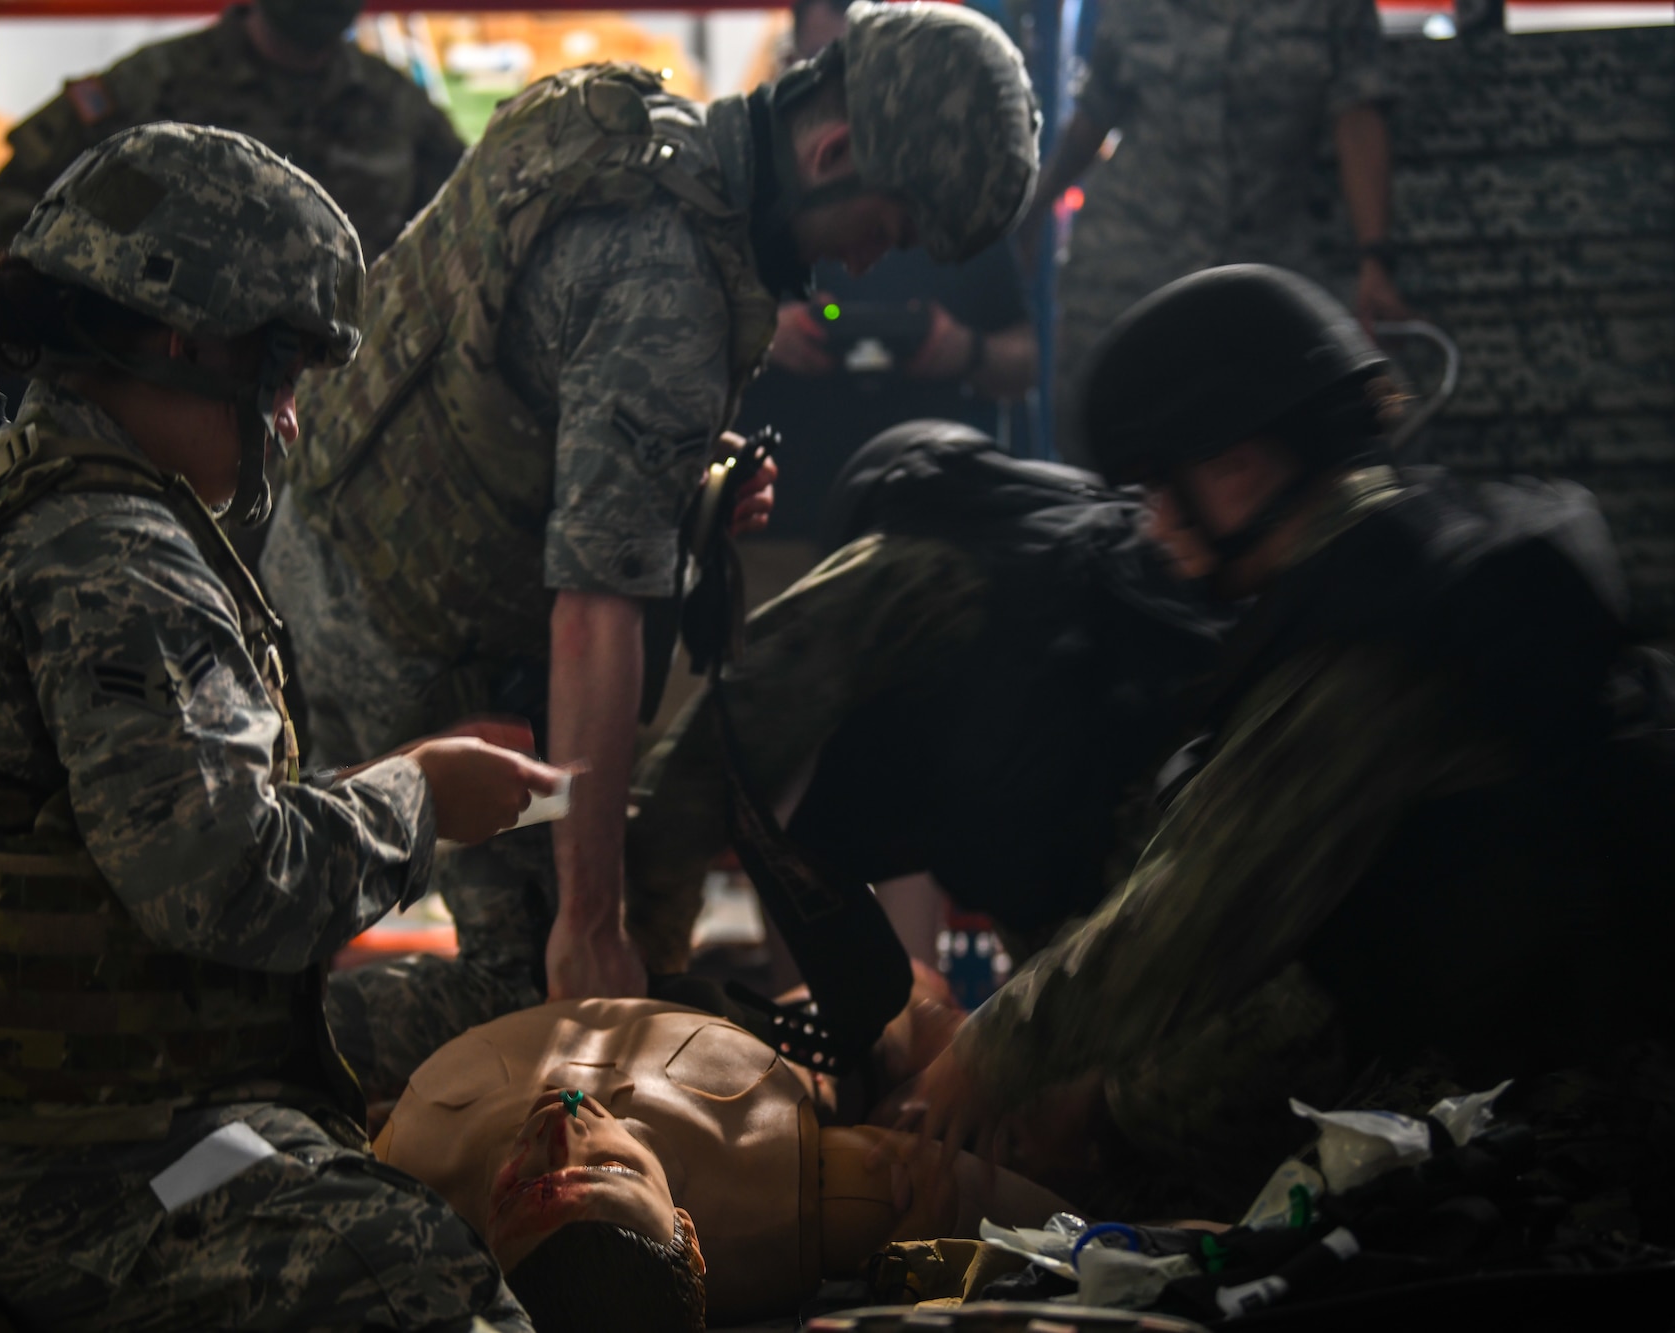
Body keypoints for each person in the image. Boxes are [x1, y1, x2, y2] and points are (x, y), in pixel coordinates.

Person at [0, 124, 566, 1331]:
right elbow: (223, 884)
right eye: (278, 376)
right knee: (413, 1272)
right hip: (54, 1161)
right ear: (186, 344)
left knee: (304, 1136)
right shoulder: (119, 556)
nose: (285, 422)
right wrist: (419, 801)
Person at [267, 2, 1043, 1081]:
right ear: (833, 150)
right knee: (536, 988)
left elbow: (515, 360)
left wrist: (681, 474)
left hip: (311, 551)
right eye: (886, 225)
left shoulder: (616, 119)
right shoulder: (673, 281)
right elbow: (595, 611)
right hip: (417, 639)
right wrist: (589, 919)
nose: (872, 264)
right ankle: (249, 1055)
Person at [885, 265, 1675, 1229]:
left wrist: (988, 1058)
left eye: (1161, 485)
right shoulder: (1397, 567)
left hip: (1562, 1119)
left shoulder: (1371, 643)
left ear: (1238, 467)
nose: (1153, 521)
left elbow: (1196, 903)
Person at [627, 419, 1225, 980]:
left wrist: (651, 982)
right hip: (1205, 899)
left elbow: (712, 759)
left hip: (1136, 935)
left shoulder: (902, 562)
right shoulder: (1093, 526)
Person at [374, 997, 1072, 1331]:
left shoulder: (405, 1181)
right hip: (764, 1040)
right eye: (613, 1168)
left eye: (522, 1185)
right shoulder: (783, 1197)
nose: (562, 1124)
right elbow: (1067, 1227)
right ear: (690, 1228)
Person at [1026, 0, 1411, 459]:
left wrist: (1375, 258)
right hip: (1132, 255)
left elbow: (1358, 116)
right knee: (1102, 443)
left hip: (1265, 257)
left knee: (1285, 444)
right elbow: (1096, 111)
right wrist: (1036, 206)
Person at [743, 0, 1037, 538]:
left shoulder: (955, 195)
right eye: (818, 66)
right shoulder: (736, 201)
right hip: (782, 524)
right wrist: (759, 333)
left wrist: (964, 350)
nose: (859, 264)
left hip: (931, 529)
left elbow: (1028, 360)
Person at [0, 0, 465, 262]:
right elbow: (11, 211)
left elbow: (465, 239)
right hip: (176, 410)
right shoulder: (153, 90)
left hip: (354, 409)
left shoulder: (398, 109)